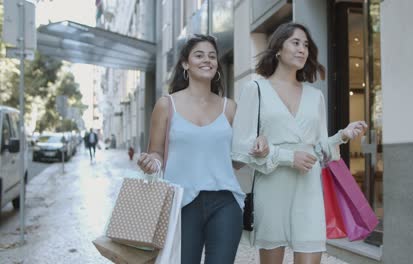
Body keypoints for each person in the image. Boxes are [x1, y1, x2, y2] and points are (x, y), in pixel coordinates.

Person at [231, 22, 368, 264]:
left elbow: (318, 150)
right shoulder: (256, 89)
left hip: (308, 189)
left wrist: (342, 135)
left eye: (306, 45)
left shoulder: (316, 96)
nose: (302, 49)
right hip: (272, 189)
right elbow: (240, 149)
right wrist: (285, 156)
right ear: (278, 48)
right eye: (295, 42)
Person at [137, 34, 268, 264]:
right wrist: (151, 161)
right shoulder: (167, 105)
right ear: (186, 63)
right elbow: (156, 152)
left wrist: (257, 147)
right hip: (180, 203)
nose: (207, 60)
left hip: (226, 202)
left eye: (212, 56)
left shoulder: (230, 108)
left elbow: (237, 161)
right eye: (199, 55)